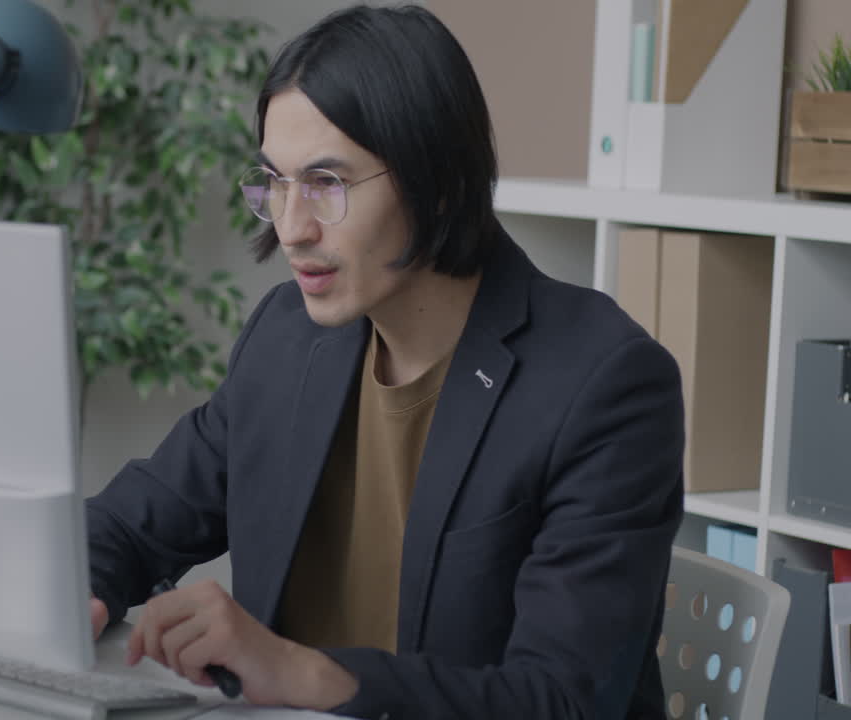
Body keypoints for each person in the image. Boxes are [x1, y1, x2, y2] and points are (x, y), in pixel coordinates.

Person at [85, 4, 684, 719]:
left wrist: (300, 672)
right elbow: (130, 524)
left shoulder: (606, 384)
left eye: (327, 184)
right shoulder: (285, 339)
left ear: (439, 182)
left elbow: (559, 701)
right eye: (275, 181)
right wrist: (78, 593)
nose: (292, 226)